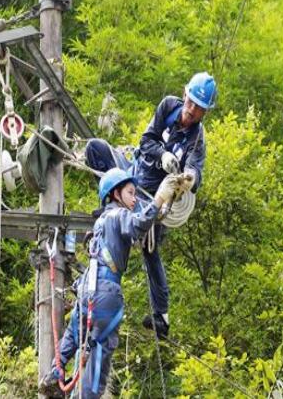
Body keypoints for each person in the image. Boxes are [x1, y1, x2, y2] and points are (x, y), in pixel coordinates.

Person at [85, 72, 217, 338]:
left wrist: (189, 179)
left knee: (150, 250)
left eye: (198, 109)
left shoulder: (196, 139)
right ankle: (112, 211)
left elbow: (195, 172)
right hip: (132, 175)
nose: (191, 111)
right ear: (184, 95)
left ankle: (162, 316)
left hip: (154, 200)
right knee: (95, 149)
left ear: (205, 112)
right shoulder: (168, 106)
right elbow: (147, 140)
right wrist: (162, 154)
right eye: (190, 103)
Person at [40, 168, 186, 398]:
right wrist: (159, 197)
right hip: (106, 292)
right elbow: (138, 224)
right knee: (101, 349)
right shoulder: (119, 215)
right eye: (130, 192)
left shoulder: (100, 224)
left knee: (74, 335)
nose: (134, 197)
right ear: (116, 194)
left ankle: (54, 374)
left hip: (87, 289)